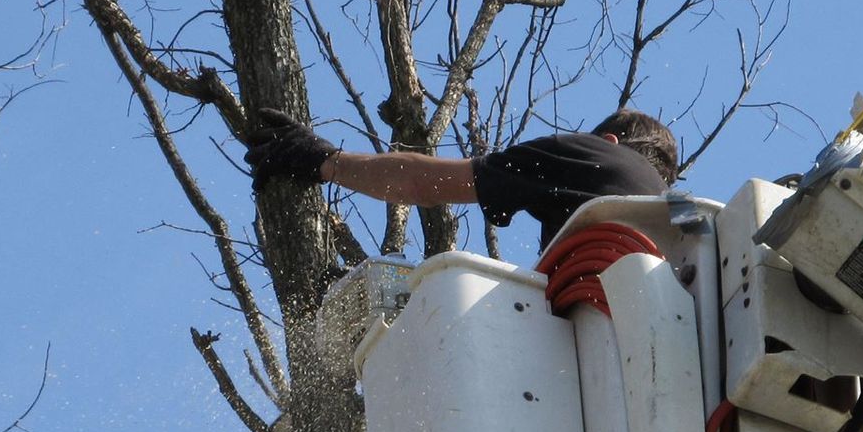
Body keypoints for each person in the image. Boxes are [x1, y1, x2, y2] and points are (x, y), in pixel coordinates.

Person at [245, 106, 679, 248]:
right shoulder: (681, 225)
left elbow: (420, 184)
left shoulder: (593, 155)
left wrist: (324, 161)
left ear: (609, 140)